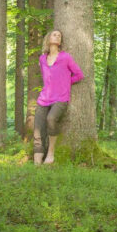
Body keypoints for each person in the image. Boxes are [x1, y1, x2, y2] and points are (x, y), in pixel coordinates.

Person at [34, 29, 83, 165]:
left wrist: (66, 82)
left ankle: (51, 153)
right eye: (54, 34)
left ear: (60, 41)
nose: (57, 36)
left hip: (60, 98)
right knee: (38, 129)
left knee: (51, 119)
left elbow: (79, 75)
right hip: (44, 98)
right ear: (48, 38)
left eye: (59, 35)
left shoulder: (65, 57)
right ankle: (37, 162)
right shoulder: (42, 58)